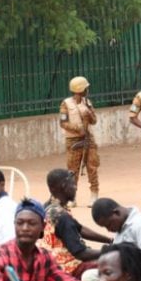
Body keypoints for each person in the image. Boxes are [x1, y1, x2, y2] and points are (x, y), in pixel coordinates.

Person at [39, 169, 113, 278]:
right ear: (64, 186)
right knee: (114, 266)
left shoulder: (49, 206)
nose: (76, 188)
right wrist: (108, 250)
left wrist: (109, 240)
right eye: (73, 184)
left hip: (52, 263)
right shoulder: (62, 217)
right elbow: (80, 253)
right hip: (67, 268)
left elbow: (80, 229)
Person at [60, 76, 100, 206]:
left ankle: (94, 194)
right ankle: (72, 197)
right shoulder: (66, 104)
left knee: (92, 166)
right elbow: (63, 122)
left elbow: (94, 121)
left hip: (88, 138)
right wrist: (77, 129)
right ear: (79, 89)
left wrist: (90, 114)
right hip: (73, 140)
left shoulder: (87, 102)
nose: (87, 90)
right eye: (85, 88)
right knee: (73, 169)